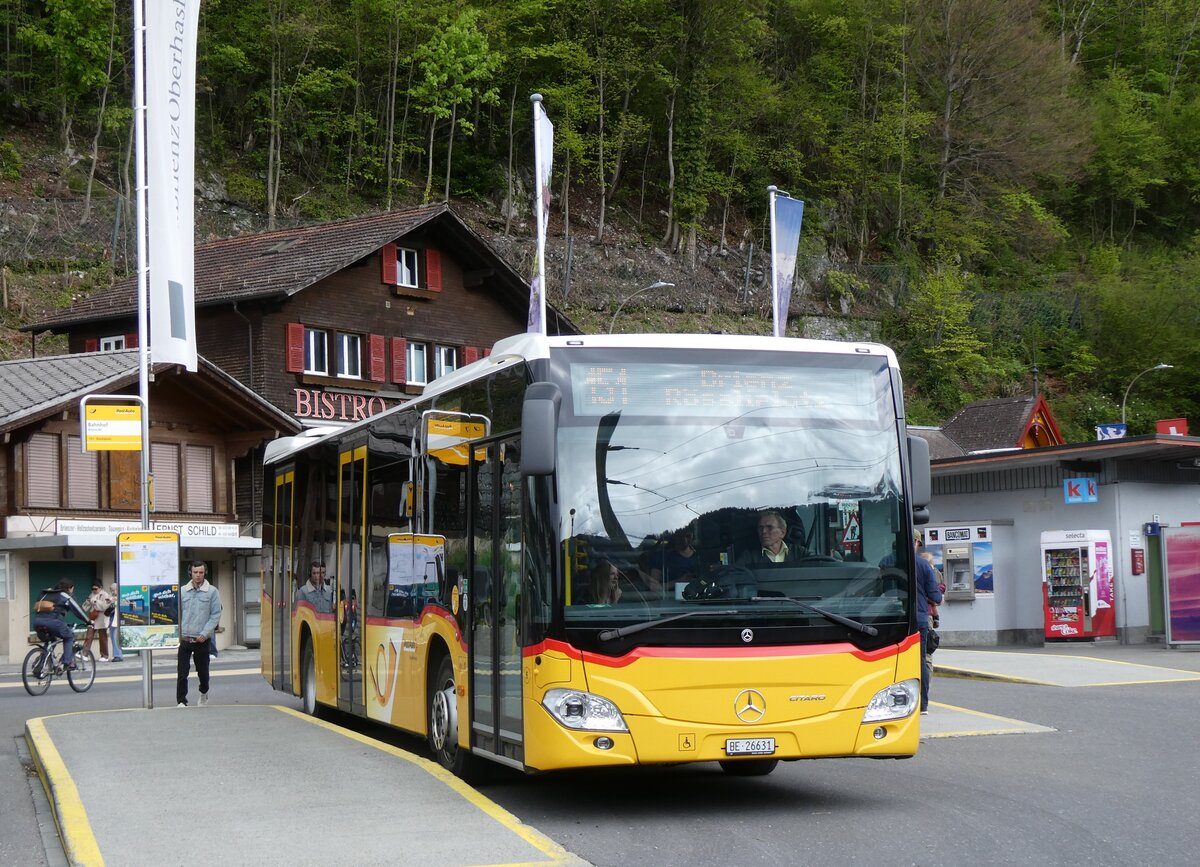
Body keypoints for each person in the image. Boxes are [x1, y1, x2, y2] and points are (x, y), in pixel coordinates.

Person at [177, 561, 223, 707]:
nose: (198, 575)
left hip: (201, 639)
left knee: (203, 673)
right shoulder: (182, 591)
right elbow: (176, 613)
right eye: (195, 572)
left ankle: (204, 692)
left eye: (201, 572)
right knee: (182, 673)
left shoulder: (212, 592)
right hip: (185, 638)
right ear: (190, 573)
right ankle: (181, 701)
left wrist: (205, 633)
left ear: (205, 573)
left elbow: (216, 614)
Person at [915, 537, 944, 715]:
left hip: (891, 617)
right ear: (917, 542)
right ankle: (923, 703)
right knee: (923, 659)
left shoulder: (885, 562)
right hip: (920, 618)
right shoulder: (923, 566)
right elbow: (936, 595)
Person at [33, 580, 90, 669]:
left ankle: (40, 666)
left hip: (37, 622)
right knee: (69, 636)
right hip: (53, 622)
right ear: (70, 588)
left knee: (51, 640)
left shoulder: (46, 593)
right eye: (72, 589)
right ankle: (67, 662)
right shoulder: (63, 595)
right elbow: (77, 609)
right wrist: (88, 621)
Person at [736, 510, 807, 566]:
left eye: (769, 527)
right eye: (760, 528)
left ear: (783, 532)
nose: (763, 531)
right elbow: (737, 574)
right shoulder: (749, 557)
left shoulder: (800, 553)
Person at [82, 581, 115, 661]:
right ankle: (84, 654)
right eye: (92, 589)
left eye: (95, 589)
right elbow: (84, 607)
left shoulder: (105, 595)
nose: (94, 590)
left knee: (103, 637)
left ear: (100, 588)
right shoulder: (92, 594)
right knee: (89, 636)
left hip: (101, 618)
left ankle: (104, 656)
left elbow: (104, 606)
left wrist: (95, 601)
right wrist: (88, 601)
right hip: (93, 617)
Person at [107, 583, 124, 661]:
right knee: (112, 637)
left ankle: (118, 655)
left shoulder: (122, 597)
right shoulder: (111, 597)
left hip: (118, 619)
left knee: (115, 637)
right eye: (111, 591)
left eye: (114, 590)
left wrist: (115, 602)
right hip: (112, 618)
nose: (113, 592)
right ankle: (117, 655)